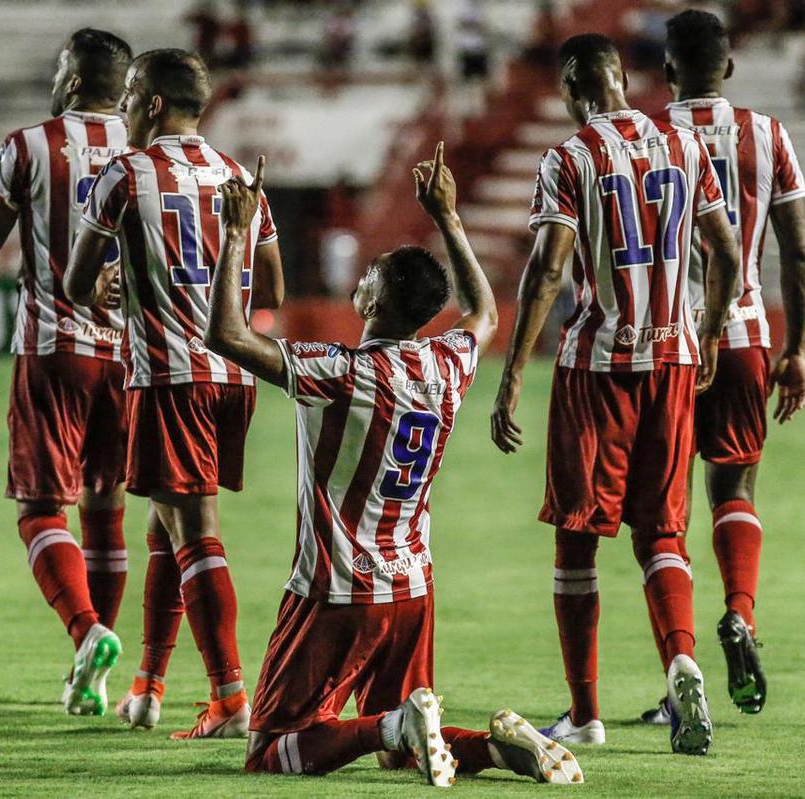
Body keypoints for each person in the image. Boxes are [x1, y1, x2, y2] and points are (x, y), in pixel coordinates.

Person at [204, 144, 582, 786]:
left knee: (270, 750)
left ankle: (393, 725)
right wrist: (448, 217)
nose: (362, 275)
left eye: (371, 274)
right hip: (411, 587)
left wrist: (236, 234)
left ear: (376, 302)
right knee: (403, 748)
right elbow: (486, 314)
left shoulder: (339, 373)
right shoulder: (447, 363)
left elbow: (227, 336)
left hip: (337, 588)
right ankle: (500, 750)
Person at [489, 33, 741, 756]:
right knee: (661, 533)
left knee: (577, 539)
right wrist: (709, 332)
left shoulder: (569, 157)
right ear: (622, 77)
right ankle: (682, 661)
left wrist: (511, 375)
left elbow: (548, 270)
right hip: (674, 359)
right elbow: (725, 253)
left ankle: (585, 712)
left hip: (598, 365)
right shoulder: (686, 147)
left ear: (572, 89)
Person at [64, 48, 285, 739]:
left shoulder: (125, 173)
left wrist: (110, 288)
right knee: (166, 525)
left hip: (168, 375)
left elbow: (76, 282)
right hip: (234, 377)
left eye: (131, 96)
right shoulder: (238, 175)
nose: (124, 108)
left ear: (153, 104)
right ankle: (149, 687)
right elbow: (274, 289)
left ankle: (231, 699)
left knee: (194, 532)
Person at [635, 8, 805, 726]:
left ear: (667, 70)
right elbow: (798, 252)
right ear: (729, 67)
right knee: (734, 485)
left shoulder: (647, 137)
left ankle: (680, 678)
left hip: (667, 343)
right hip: (744, 335)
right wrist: (796, 348)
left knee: (664, 513)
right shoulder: (766, 134)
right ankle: (741, 612)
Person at [0, 28, 134, 716]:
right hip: (131, 356)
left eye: (62, 68)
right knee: (106, 504)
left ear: (74, 80)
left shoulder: (28, 146)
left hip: (54, 347)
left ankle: (88, 633)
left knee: (39, 509)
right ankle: (94, 674)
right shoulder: (146, 149)